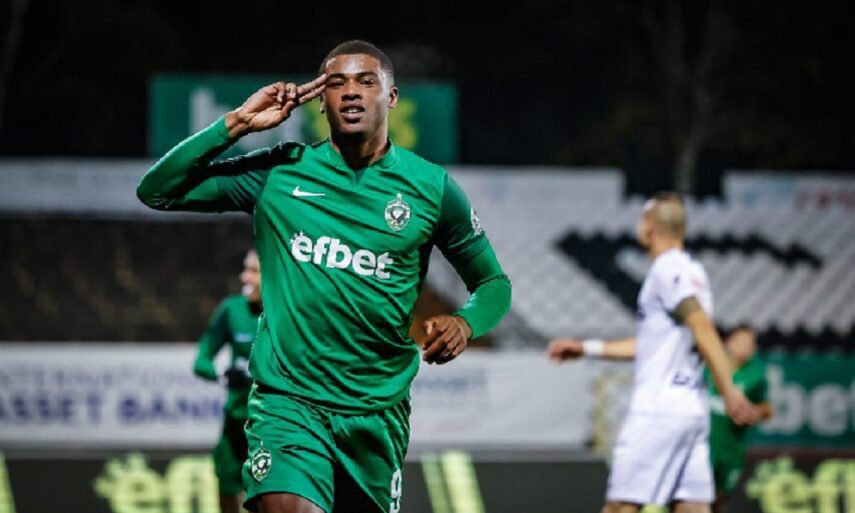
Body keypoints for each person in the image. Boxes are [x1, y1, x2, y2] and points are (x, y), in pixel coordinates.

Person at [137, 40, 511, 513]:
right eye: (337, 83)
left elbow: (493, 284)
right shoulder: (280, 171)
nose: (351, 92)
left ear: (391, 97)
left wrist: (465, 323)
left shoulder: (432, 188)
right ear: (320, 99)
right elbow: (158, 190)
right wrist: (237, 124)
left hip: (376, 414)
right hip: (289, 403)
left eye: (366, 82)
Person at [548, 193, 760, 513]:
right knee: (692, 508)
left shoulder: (668, 269)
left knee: (620, 507)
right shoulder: (693, 271)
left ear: (649, 227)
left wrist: (728, 390)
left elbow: (702, 326)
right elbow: (654, 344)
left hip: (658, 411)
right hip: (690, 412)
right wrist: (587, 347)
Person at [193, 249, 263, 513]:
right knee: (225, 483)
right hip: (236, 422)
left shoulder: (287, 313)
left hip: (272, 425)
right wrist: (222, 375)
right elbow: (202, 359)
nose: (245, 277)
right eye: (246, 269)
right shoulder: (232, 310)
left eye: (254, 271)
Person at [705, 325, 773, 513]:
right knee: (695, 495)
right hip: (703, 444)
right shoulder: (707, 366)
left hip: (732, 447)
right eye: (740, 341)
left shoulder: (756, 375)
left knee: (719, 497)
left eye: (749, 343)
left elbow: (767, 408)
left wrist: (753, 411)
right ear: (727, 342)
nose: (744, 347)